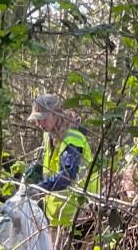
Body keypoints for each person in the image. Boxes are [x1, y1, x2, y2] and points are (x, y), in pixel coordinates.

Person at [21, 94, 94, 229]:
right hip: (58, 215)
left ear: (55, 114)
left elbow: (67, 175)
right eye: (37, 120)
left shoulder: (72, 139)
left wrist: (40, 188)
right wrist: (35, 171)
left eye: (43, 119)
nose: (39, 124)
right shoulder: (49, 134)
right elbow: (50, 165)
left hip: (80, 215)